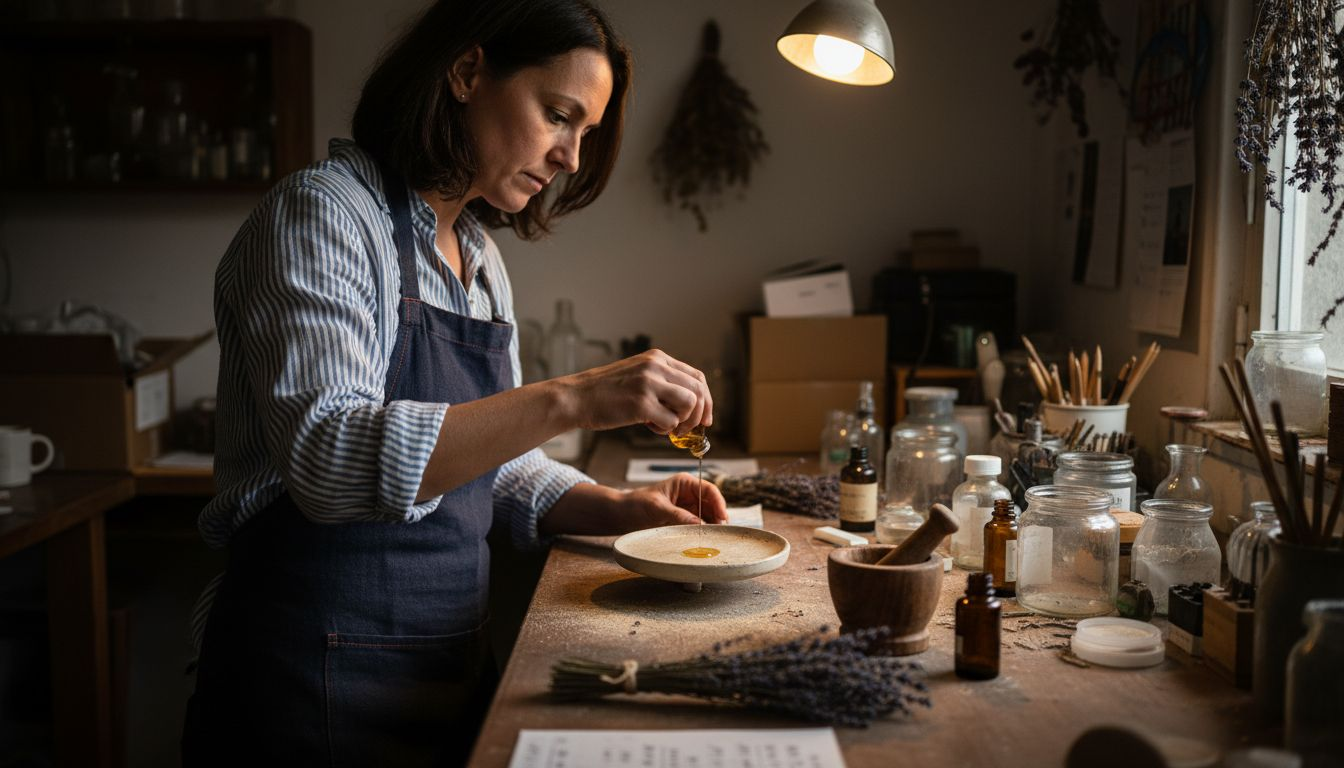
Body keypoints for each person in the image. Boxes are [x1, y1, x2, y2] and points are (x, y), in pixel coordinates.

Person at [182, 1, 726, 764]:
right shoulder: (321, 215)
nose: (571, 155)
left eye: (587, 133)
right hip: (308, 683)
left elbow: (490, 463)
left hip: (445, 668)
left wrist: (615, 509)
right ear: (468, 73)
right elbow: (329, 459)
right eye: (558, 114)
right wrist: (572, 397)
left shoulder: (476, 256)